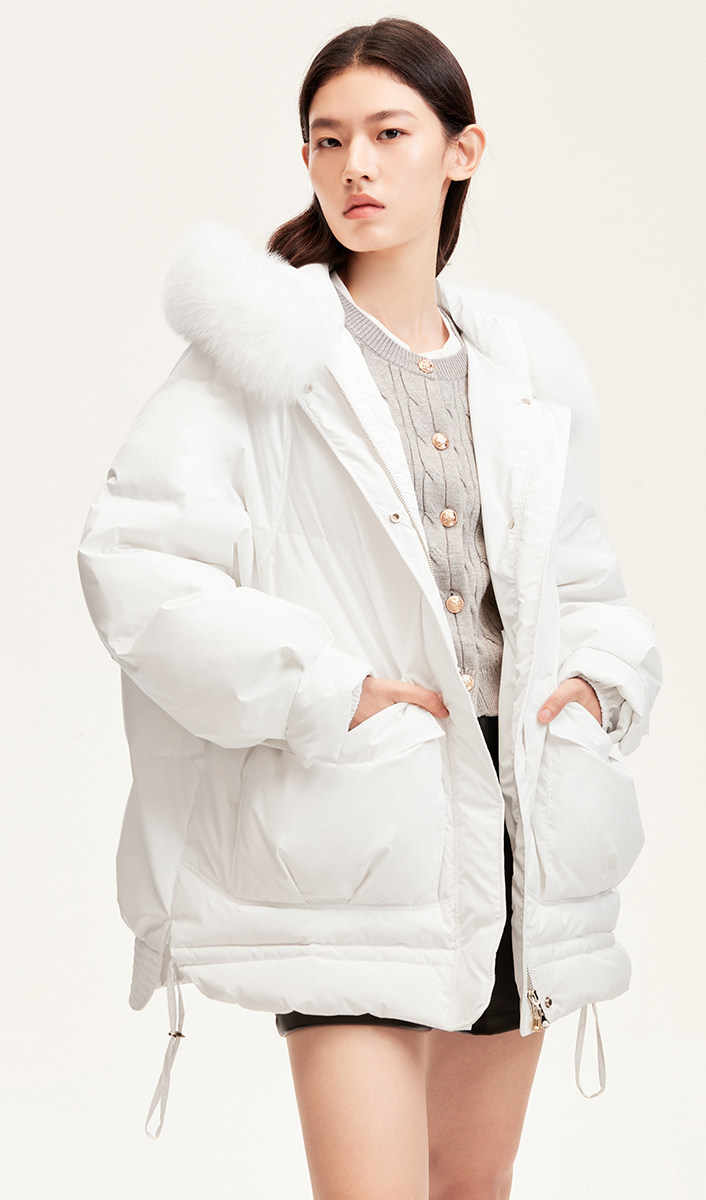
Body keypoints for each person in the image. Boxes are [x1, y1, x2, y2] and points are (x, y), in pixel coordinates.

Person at [77, 15, 662, 1197]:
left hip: (522, 823)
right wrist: (327, 693)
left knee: (470, 1187)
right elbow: (136, 562)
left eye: (391, 133)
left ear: (462, 150)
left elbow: (581, 576)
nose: (356, 165)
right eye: (328, 139)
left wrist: (599, 688)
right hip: (360, 827)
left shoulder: (526, 362)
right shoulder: (259, 353)